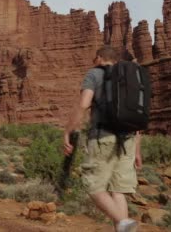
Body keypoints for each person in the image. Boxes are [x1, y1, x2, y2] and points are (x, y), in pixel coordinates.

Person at [63, 46, 142, 232]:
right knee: (118, 190)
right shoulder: (130, 78)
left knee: (94, 187)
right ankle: (124, 228)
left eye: (94, 58)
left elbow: (83, 105)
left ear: (99, 58)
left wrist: (68, 131)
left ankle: (125, 225)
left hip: (103, 138)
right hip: (129, 140)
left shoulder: (95, 74)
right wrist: (137, 150)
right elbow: (137, 114)